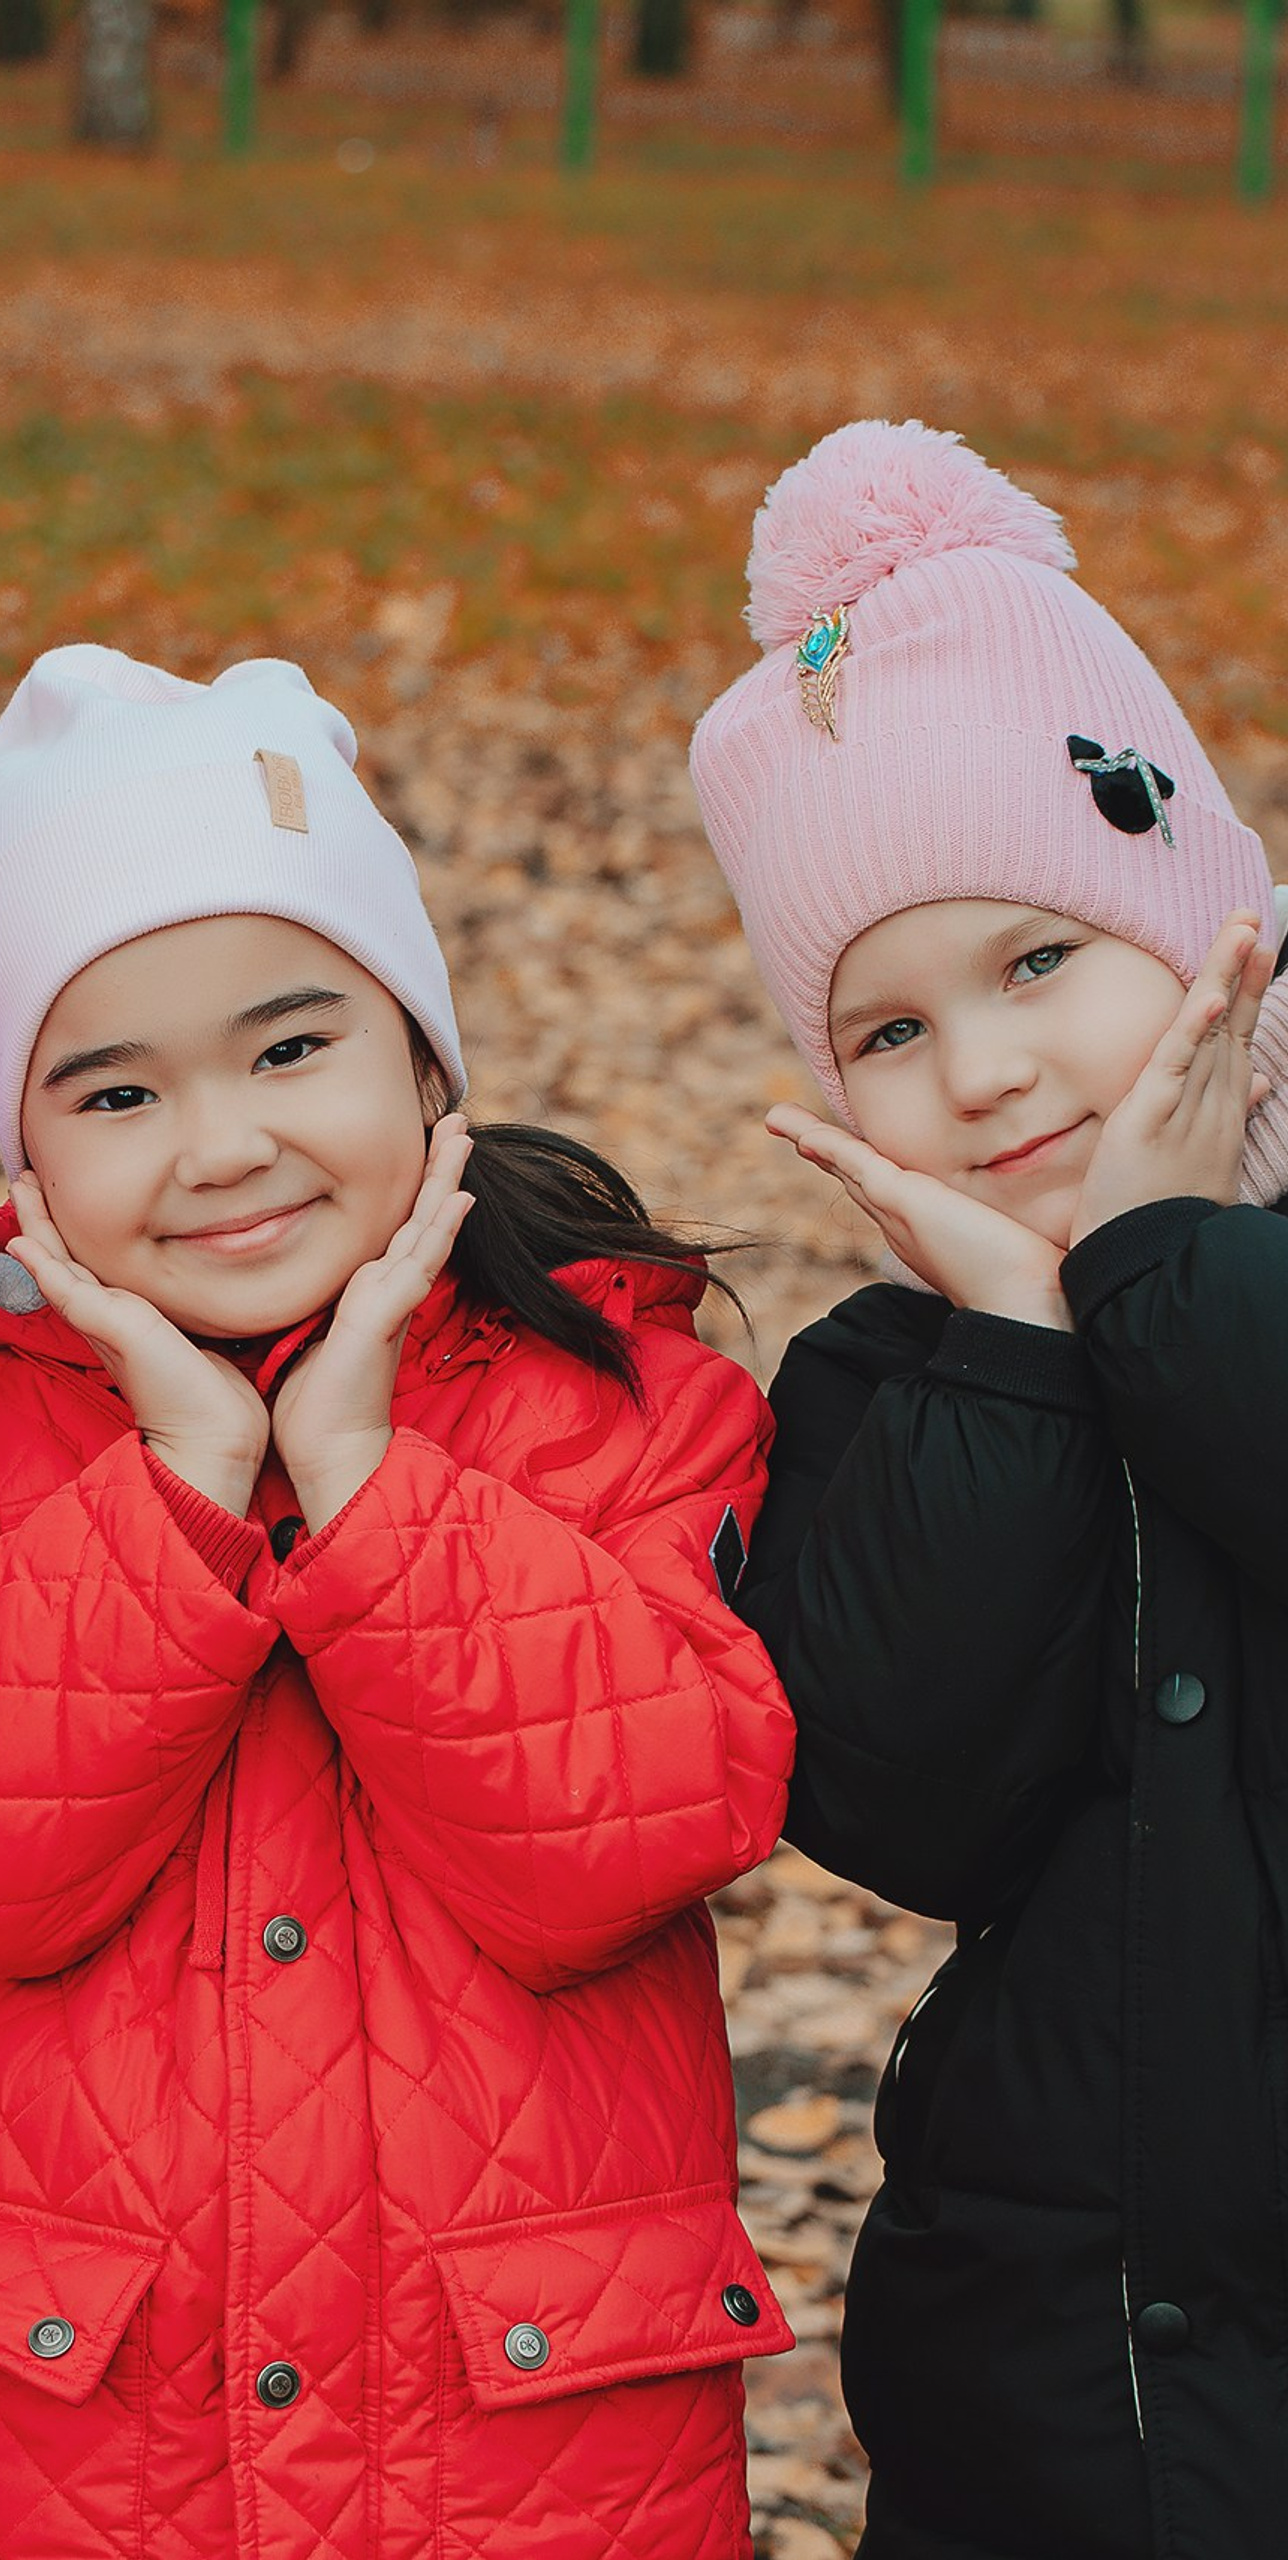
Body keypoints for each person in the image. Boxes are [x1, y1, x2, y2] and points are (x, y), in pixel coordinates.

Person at [0, 645, 797, 2560]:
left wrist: (361, 1474)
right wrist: (182, 1480)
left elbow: (635, 1831)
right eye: (116, 1090)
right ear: (28, 1148)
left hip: (517, 2450)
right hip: (51, 2452)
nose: (225, 1146)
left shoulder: (620, 1395)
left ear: (421, 1059)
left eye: (289, 1049)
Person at [692, 416, 1288, 2560]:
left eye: (1040, 960)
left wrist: (1155, 1267)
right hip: (1058, 2402)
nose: (984, 1071)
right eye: (886, 1031)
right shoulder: (899, 1381)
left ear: (1200, 922)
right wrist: (1027, 1353)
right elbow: (898, 1801)